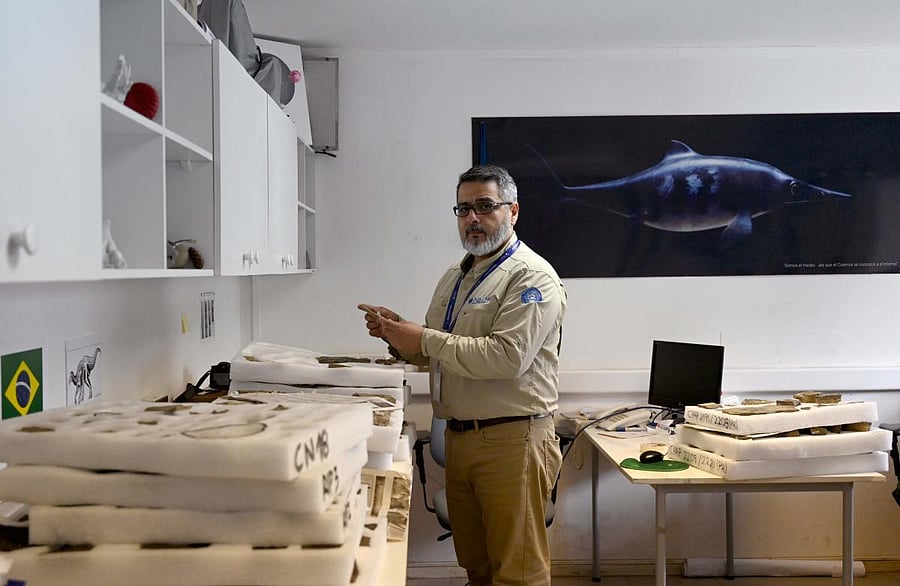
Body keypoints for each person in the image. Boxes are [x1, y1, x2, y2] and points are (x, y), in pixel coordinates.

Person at [360, 164, 567, 585]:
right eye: (464, 209)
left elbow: (507, 358)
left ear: (513, 211)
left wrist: (424, 339)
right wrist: (400, 337)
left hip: (513, 439)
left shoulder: (532, 277)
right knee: (477, 566)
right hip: (460, 439)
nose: (473, 218)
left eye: (485, 207)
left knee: (518, 571)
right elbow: (444, 353)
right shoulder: (457, 275)